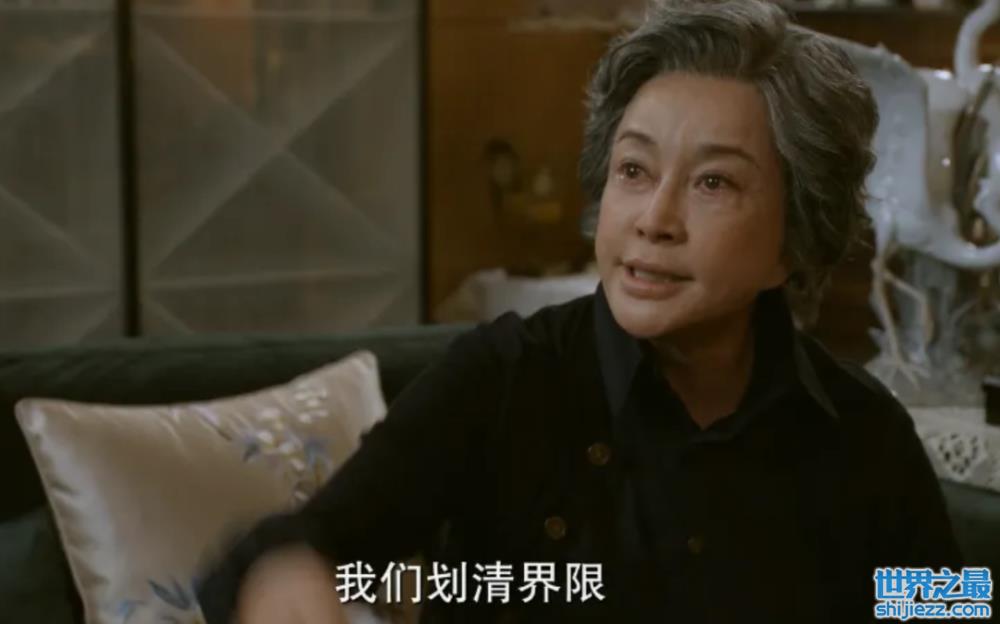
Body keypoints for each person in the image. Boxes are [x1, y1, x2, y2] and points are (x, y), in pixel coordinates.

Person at [196, 1, 963, 622]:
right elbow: (302, 548)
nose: (653, 219)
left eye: (713, 183)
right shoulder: (502, 381)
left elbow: (944, 608)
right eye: (634, 170)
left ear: (794, 241)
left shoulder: (859, 435)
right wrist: (288, 573)